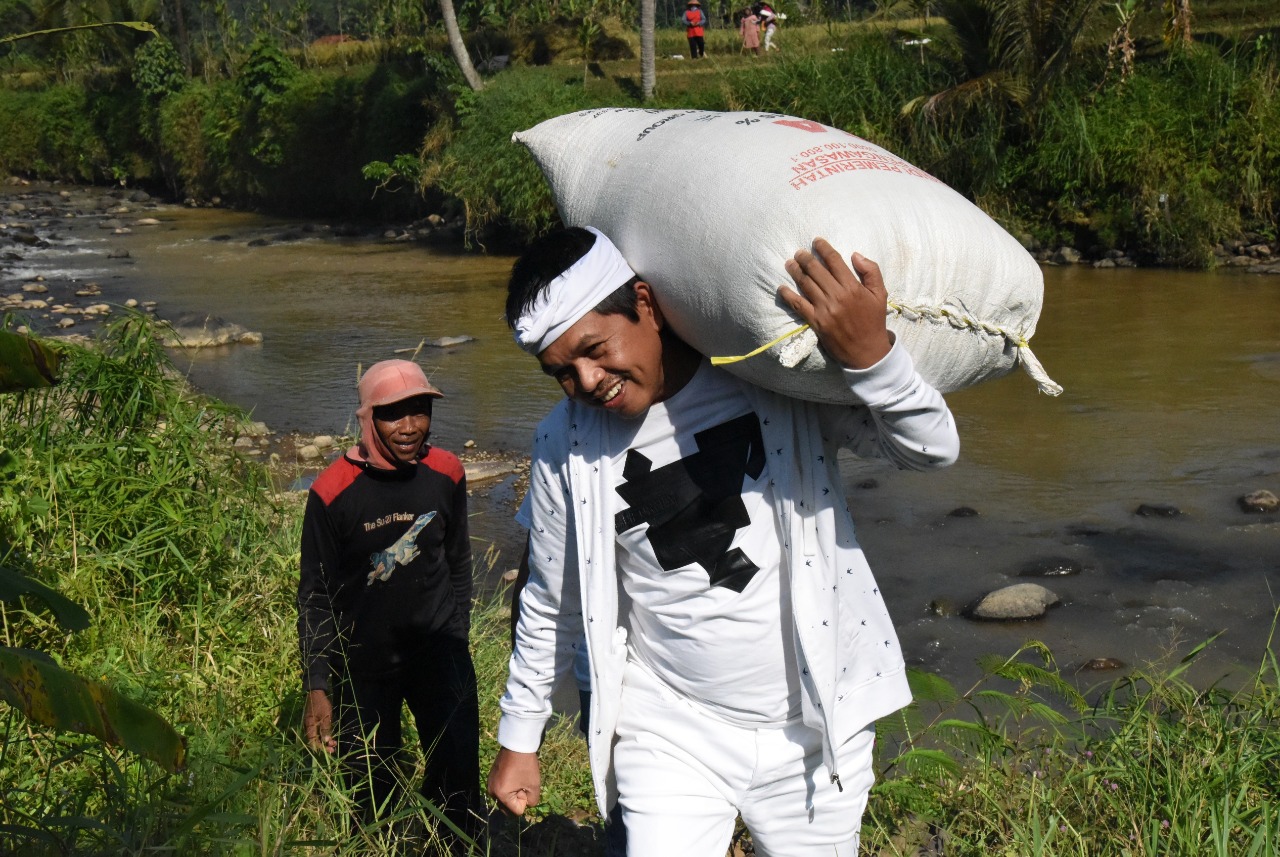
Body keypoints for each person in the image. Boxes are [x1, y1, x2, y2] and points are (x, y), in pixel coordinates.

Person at [487, 226, 960, 854]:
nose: (589, 380)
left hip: (815, 732)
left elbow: (931, 451)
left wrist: (874, 359)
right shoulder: (566, 443)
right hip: (670, 724)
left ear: (647, 305)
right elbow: (553, 598)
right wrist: (520, 737)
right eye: (562, 374)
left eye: (595, 348)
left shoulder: (770, 375)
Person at [297, 359, 482, 849]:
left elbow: (459, 559)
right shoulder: (331, 493)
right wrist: (318, 686)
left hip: (441, 656)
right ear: (367, 418)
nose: (410, 427)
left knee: (459, 778)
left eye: (419, 410)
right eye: (393, 414)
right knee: (371, 794)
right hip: (365, 667)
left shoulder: (446, 472)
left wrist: (457, 634)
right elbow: (315, 595)